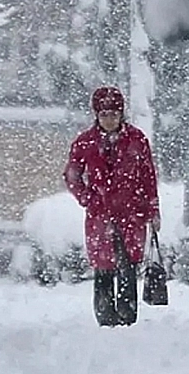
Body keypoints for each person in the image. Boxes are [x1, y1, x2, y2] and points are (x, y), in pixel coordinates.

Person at [63, 86, 161, 327]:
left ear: (121, 114)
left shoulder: (137, 140)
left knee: (128, 266)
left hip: (132, 214)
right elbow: (72, 175)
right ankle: (106, 318)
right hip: (100, 216)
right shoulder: (85, 143)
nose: (109, 119)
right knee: (104, 267)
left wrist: (153, 209)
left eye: (114, 114)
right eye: (104, 114)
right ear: (96, 115)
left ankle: (128, 317)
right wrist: (88, 198)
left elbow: (148, 177)